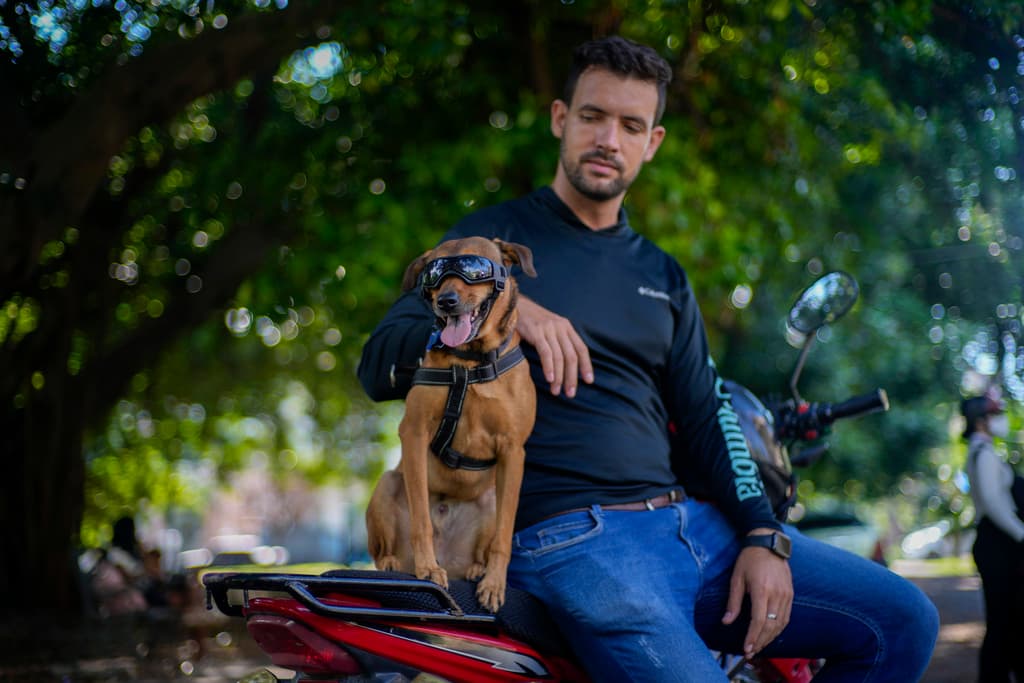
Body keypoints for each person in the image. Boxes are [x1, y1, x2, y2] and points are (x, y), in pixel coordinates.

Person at [358, 35, 938, 682]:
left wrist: (761, 533)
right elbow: (378, 361)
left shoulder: (664, 275)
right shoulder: (487, 246)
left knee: (906, 620)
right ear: (560, 119)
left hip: (694, 525)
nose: (609, 138)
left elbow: (706, 412)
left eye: (630, 125)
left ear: (651, 143)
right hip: (571, 540)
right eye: (592, 116)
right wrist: (507, 313)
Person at [963, 394, 1024, 683]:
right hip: (996, 541)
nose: (999, 420)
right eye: (994, 415)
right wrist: (1020, 533)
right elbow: (992, 501)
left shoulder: (982, 451)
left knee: (1007, 618)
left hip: (996, 541)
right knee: (1002, 619)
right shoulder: (983, 453)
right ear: (981, 421)